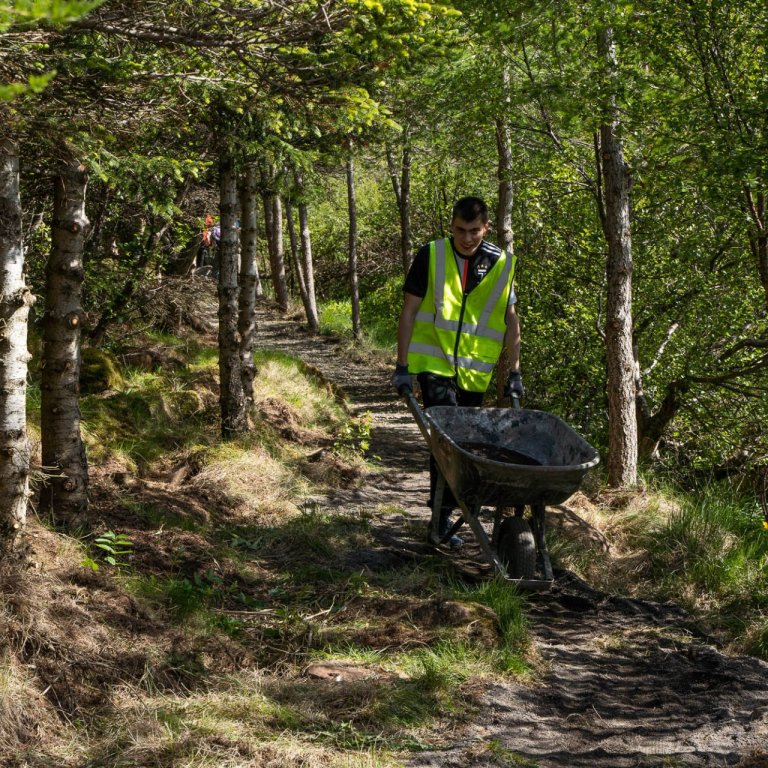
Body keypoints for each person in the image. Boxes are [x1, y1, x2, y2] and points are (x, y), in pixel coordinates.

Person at [391, 196, 524, 548]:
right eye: (460, 230)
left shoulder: (501, 264)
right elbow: (409, 311)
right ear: (451, 226)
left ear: (486, 228)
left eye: (474, 231)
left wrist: (514, 371)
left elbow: (511, 320)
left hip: (474, 369)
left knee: (463, 443)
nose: (467, 238)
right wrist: (402, 365)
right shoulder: (431, 255)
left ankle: (450, 509)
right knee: (445, 440)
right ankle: (441, 515)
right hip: (433, 363)